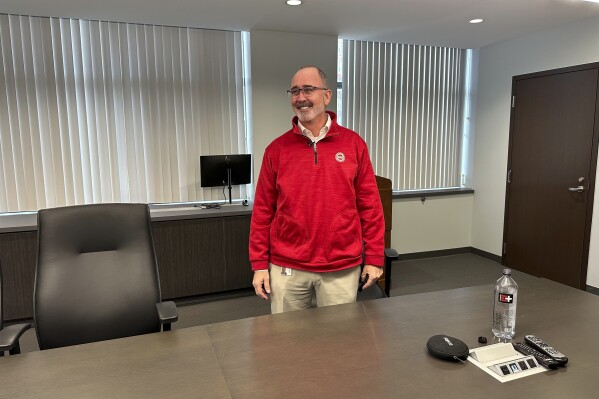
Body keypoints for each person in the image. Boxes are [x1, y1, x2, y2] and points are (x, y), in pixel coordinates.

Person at [249, 65, 385, 313]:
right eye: (295, 91)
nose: (301, 97)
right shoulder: (276, 150)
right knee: (286, 339)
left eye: (308, 89)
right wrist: (259, 264)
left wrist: (374, 258)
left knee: (337, 340)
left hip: (341, 264)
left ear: (327, 95)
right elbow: (262, 212)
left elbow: (371, 206)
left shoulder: (354, 144)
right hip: (287, 265)